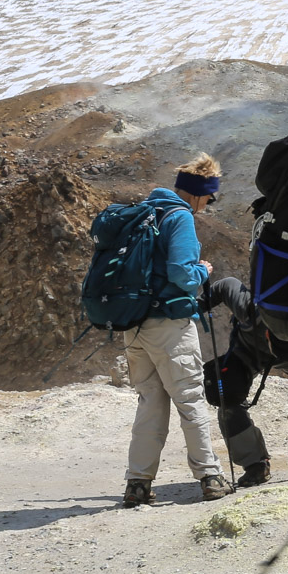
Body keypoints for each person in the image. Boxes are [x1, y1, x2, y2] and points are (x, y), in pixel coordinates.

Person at [121, 154, 234, 507]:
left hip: (134, 325)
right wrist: (202, 270)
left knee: (150, 402)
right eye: (209, 199)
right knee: (190, 399)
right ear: (199, 194)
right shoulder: (179, 216)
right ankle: (211, 477)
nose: (208, 206)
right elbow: (182, 276)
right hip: (168, 325)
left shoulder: (145, 210)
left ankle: (137, 484)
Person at [202, 275, 288, 485]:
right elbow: (225, 285)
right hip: (248, 351)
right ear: (267, 336)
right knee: (226, 396)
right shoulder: (247, 307)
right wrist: (195, 308)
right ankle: (256, 464)